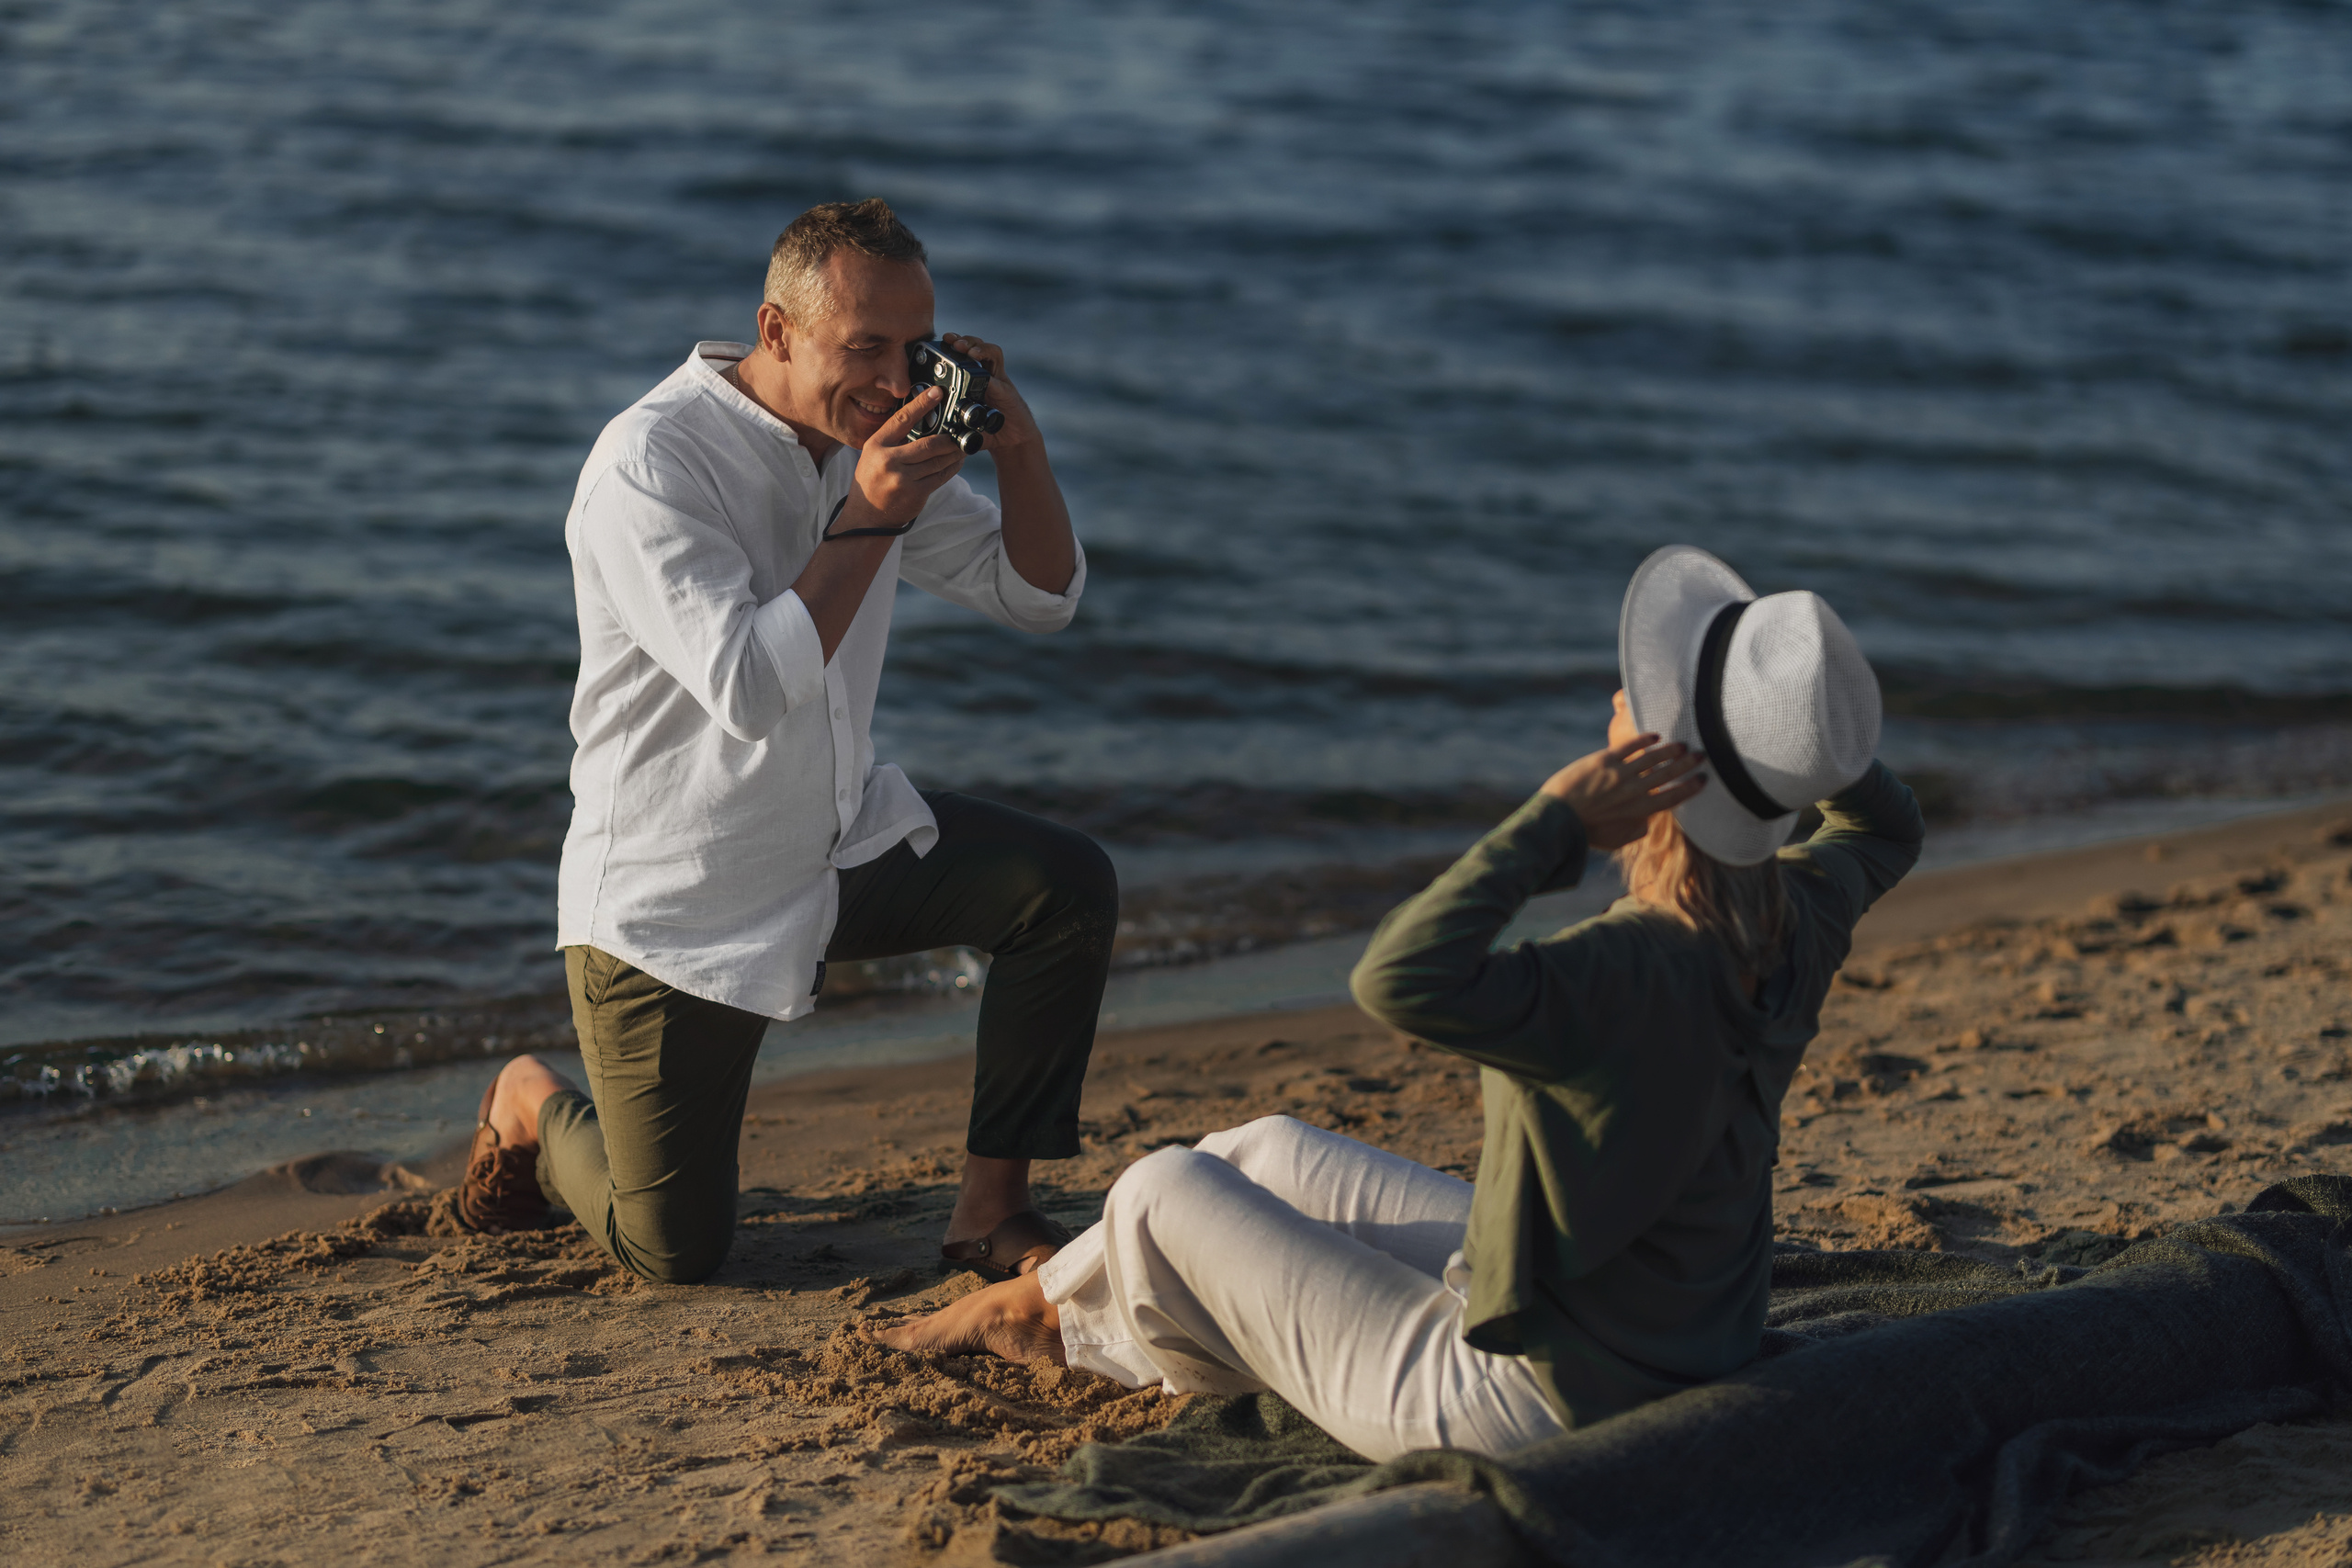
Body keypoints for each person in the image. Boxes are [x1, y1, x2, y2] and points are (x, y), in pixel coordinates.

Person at [874, 545, 1926, 1461]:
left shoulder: (1621, 967)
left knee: (1155, 1189)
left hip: (1521, 1399)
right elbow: (1886, 830)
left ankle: (1045, 1316)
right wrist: (1799, 736)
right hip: (1677, 1326)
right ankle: (1039, 1301)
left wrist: (1555, 824)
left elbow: (1400, 974)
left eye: (1629, 701)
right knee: (1261, 1150)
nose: (1612, 706)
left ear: (1655, 763)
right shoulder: (1800, 911)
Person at [457, 198, 1113, 1287]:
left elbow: (1040, 597)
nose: (897, 377)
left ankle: (990, 1209)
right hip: (677, 911)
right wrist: (867, 516)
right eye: (865, 347)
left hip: (834, 848)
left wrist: (1023, 448)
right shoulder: (652, 462)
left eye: (917, 347)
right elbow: (751, 689)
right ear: (776, 332)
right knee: (673, 1250)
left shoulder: (876, 443)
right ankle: (529, 1099)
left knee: (1064, 887)